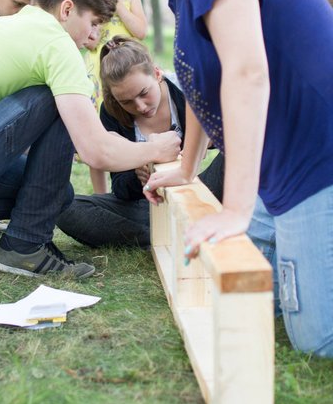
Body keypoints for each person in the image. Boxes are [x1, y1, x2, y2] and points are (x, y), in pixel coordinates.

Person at [97, 0, 333, 357]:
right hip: (283, 167)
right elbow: (205, 78)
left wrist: (236, 208)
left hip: (319, 157)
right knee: (251, 297)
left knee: (316, 339)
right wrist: (187, 166)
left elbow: (247, 73)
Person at [0, 0, 181, 279]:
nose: (92, 36)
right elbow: (95, 150)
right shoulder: (56, 44)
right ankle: (25, 245)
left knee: (56, 195)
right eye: (92, 23)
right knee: (60, 95)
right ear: (66, 10)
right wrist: (156, 148)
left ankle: (18, 236)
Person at [57, 36, 224, 248]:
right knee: (65, 207)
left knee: (235, 156)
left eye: (144, 93)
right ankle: (161, 239)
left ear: (156, 74)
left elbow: (231, 141)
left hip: (195, 191)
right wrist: (137, 174)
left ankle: (182, 230)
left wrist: (205, 140)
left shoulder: (185, 90)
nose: (141, 106)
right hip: (146, 206)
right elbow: (121, 189)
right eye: (126, 102)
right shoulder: (111, 113)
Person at [77, 0, 148, 193]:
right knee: (96, 129)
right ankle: (100, 193)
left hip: (127, 70)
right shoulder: (89, 3)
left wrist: (118, 3)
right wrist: (92, 36)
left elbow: (140, 30)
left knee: (127, 122)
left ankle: (133, 176)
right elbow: (89, 40)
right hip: (97, 75)